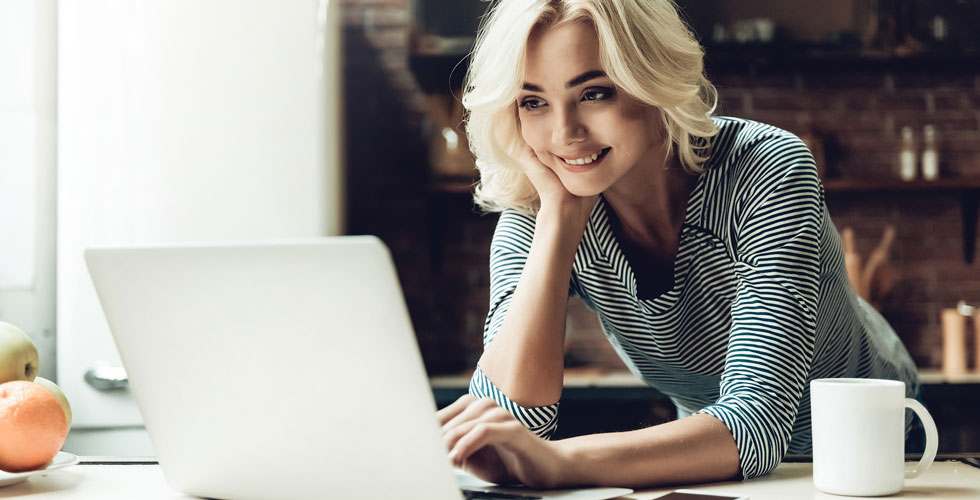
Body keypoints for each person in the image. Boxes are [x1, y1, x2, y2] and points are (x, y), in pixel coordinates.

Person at [436, 0, 918, 489]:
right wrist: (558, 220)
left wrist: (559, 461)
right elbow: (505, 422)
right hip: (712, 462)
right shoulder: (542, 201)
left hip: (878, 448)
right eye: (532, 101)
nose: (564, 134)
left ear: (652, 80)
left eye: (594, 93)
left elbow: (758, 423)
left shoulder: (767, 170)